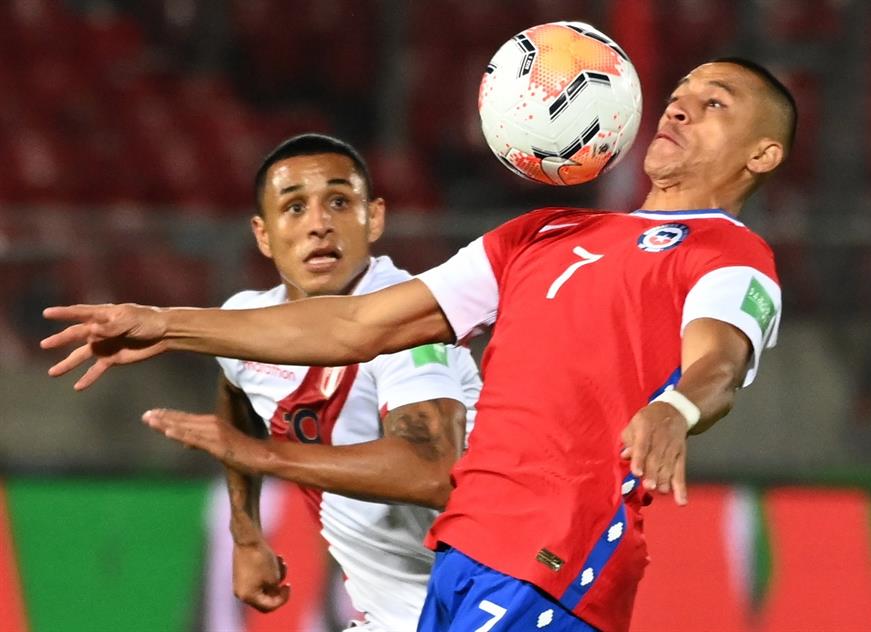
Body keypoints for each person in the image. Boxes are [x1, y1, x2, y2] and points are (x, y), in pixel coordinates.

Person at [43, 57, 795, 631]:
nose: (679, 109)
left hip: (554, 556)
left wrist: (675, 410)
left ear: (760, 155)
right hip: (463, 556)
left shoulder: (728, 256)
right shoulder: (543, 233)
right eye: (679, 98)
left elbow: (718, 361)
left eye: (713, 105)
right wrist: (165, 322)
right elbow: (353, 324)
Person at [133, 133, 483, 632]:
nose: (319, 224)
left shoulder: (413, 322)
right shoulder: (249, 322)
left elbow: (434, 470)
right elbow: (237, 385)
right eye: (294, 207)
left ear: (375, 218)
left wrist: (260, 455)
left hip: (492, 600)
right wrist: (246, 531)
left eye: (339, 202)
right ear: (263, 233)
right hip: (400, 616)